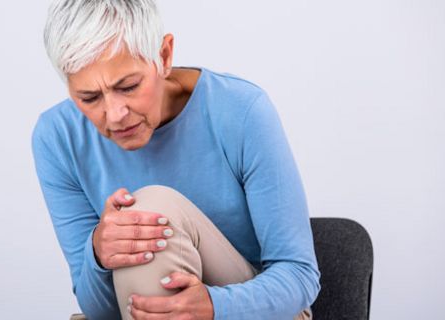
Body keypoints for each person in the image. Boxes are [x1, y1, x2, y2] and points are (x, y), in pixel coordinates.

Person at [31, 0, 320, 319]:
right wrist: (99, 253)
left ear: (164, 56)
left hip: (256, 310)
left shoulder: (240, 110)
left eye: (128, 86)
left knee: (150, 212)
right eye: (89, 98)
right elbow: (100, 312)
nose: (115, 115)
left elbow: (300, 276)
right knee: (139, 227)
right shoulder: (57, 137)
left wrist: (214, 306)